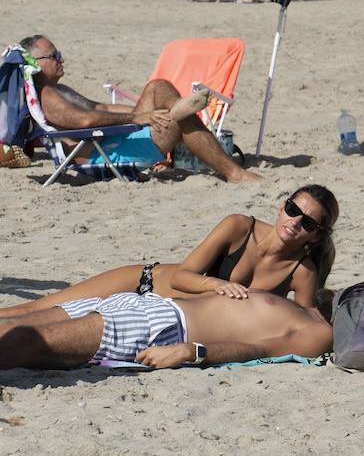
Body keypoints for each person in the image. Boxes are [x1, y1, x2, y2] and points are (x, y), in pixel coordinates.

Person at [0, 185, 338, 318]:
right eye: (293, 210)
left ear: (316, 235)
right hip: (144, 284)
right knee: (38, 308)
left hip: (165, 318)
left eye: (308, 223)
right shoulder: (239, 227)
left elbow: (302, 321)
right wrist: (217, 286)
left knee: (55, 321)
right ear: (281, 207)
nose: (295, 222)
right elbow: (181, 276)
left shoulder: (302, 271)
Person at [19, 35, 261, 183]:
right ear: (35, 64)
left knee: (158, 88)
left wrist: (145, 113)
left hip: (112, 141)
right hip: (107, 154)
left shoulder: (60, 89)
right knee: (180, 116)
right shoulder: (46, 95)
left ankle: (174, 110)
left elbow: (100, 107)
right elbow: (85, 121)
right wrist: (138, 117)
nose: (61, 59)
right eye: (54, 56)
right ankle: (233, 172)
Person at [0, 284, 333, 370]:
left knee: (28, 342)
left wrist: (193, 351)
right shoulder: (304, 308)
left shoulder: (320, 332)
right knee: (12, 325)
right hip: (145, 303)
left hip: (162, 327)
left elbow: (262, 351)